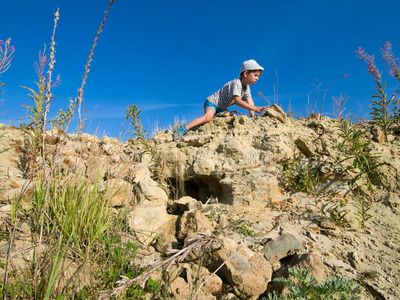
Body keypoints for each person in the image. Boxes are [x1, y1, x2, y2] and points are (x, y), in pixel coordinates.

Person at [173, 59, 269, 141]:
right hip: (213, 102)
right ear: (246, 73)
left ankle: (217, 115)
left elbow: (250, 101)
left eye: (258, 76)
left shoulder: (246, 88)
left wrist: (253, 117)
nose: (257, 78)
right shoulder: (236, 83)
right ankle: (181, 130)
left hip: (222, 108)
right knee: (208, 118)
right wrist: (256, 109)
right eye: (255, 75)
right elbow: (238, 101)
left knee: (234, 117)